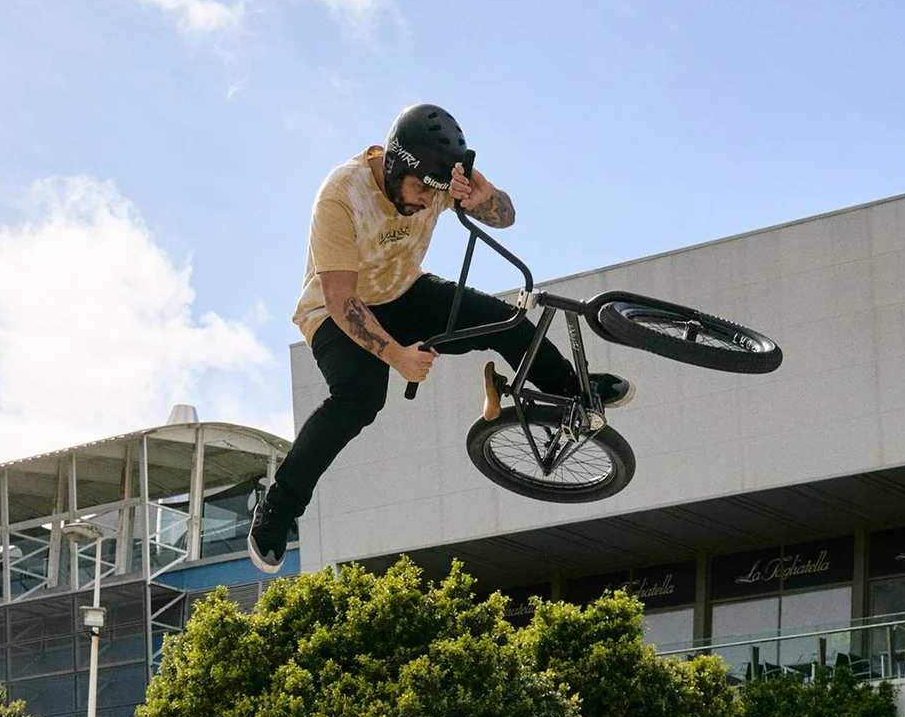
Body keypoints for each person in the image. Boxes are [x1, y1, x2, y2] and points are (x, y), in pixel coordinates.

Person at [248, 104, 630, 573]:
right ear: (393, 166)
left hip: (405, 292)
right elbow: (342, 299)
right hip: (336, 314)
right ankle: (279, 507)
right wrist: (397, 357)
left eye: (436, 194)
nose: (428, 203)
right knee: (360, 398)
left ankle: (574, 392)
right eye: (418, 192)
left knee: (503, 319)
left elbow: (504, 217)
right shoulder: (340, 196)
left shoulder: (437, 180)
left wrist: (484, 195)